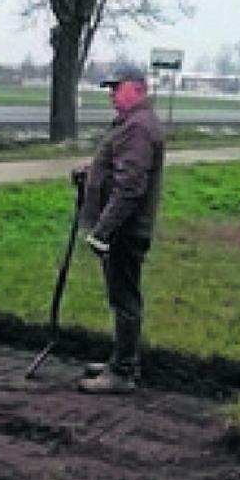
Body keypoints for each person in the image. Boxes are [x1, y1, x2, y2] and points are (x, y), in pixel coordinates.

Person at [76, 64, 165, 395]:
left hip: (124, 231)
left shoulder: (138, 127)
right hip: (123, 228)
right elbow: (120, 168)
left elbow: (130, 185)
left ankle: (123, 371)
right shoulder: (132, 123)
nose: (111, 94)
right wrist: (91, 174)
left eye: (117, 87)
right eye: (110, 88)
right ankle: (121, 359)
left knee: (124, 298)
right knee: (122, 296)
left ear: (138, 89)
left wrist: (103, 230)